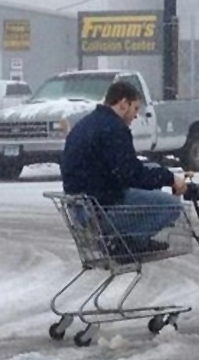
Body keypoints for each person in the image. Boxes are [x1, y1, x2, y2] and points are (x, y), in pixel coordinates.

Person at [61, 81, 188, 255]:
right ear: (123, 104)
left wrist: (157, 173)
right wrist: (170, 179)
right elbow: (130, 174)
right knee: (172, 206)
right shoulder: (114, 129)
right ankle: (127, 244)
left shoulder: (86, 125)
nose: (136, 116)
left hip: (82, 206)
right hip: (100, 209)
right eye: (135, 109)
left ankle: (127, 242)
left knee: (152, 172)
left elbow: (119, 167)